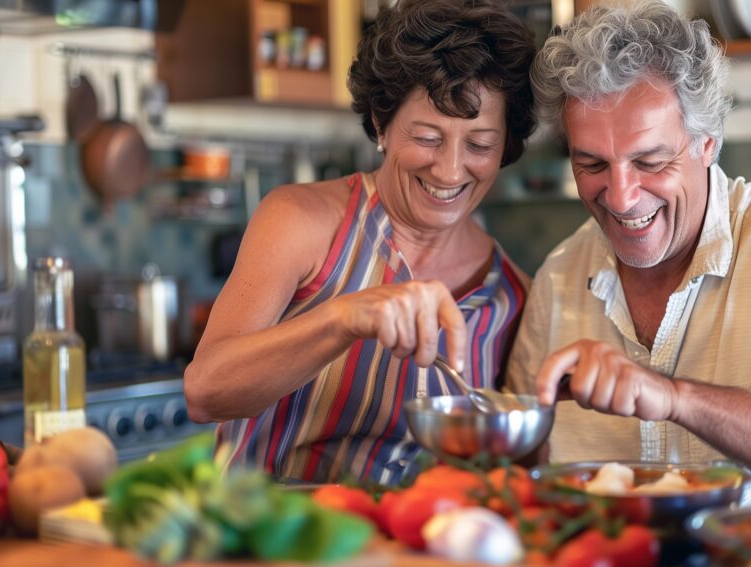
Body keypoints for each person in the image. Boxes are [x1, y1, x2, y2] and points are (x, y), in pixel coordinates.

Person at [507, 0, 751, 504]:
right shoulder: (560, 275)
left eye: (650, 161)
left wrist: (676, 398)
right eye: (592, 165)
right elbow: (518, 468)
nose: (620, 197)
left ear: (706, 143)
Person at [184, 0, 535, 484]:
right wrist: (343, 318)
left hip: (418, 532)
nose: (450, 170)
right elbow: (206, 392)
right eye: (428, 137)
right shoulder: (301, 221)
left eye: (479, 144)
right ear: (380, 124)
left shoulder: (512, 294)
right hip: (270, 526)